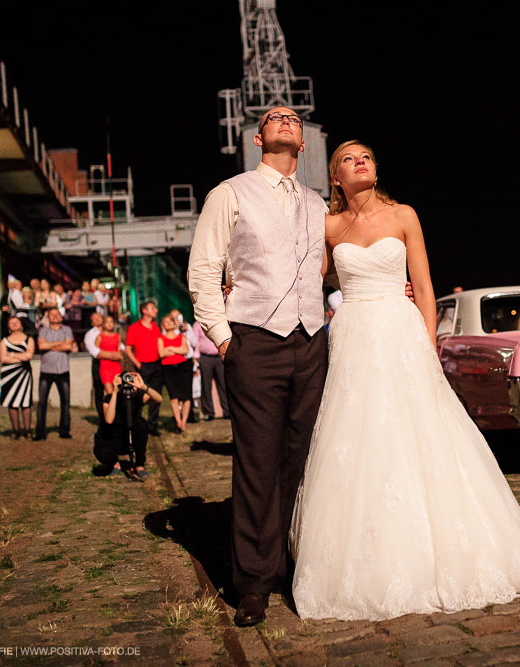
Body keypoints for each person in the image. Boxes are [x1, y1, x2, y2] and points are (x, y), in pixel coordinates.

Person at [287, 141, 520, 621]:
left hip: (400, 329)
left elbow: (426, 286)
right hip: (352, 334)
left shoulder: (404, 215)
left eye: (366, 156)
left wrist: (428, 345)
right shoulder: (327, 226)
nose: (360, 162)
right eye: (348, 159)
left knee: (422, 430)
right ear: (335, 178)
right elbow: (314, 276)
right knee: (358, 434)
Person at [188, 106, 331, 627]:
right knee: (256, 463)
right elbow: (204, 269)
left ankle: (293, 563)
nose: (287, 121)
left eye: (294, 117)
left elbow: (329, 267)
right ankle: (253, 582)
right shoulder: (230, 193)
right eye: (276, 117)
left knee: (300, 461)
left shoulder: (318, 202)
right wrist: (224, 339)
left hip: (311, 341)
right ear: (258, 137)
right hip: (253, 342)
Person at [94, 372, 161, 479]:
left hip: (131, 437)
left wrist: (143, 387)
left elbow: (158, 399)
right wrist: (115, 392)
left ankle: (139, 464)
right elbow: (109, 419)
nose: (129, 386)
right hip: (113, 438)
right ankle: (115, 463)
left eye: (132, 382)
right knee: (101, 450)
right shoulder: (110, 398)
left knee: (141, 424)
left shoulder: (138, 397)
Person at [34, 308, 75, 440]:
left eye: (57, 314)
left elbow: (69, 347)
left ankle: (64, 431)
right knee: (42, 402)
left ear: (61, 317)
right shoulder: (43, 330)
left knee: (65, 402)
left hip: (63, 370)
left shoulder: (67, 330)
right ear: (48, 317)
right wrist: (61, 344)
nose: (55, 317)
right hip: (46, 370)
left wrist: (50, 345)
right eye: (52, 315)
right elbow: (41, 346)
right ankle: (40, 432)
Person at [125, 301, 163, 435]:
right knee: (140, 396)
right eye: (153, 308)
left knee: (156, 395)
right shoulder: (134, 328)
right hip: (142, 366)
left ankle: (153, 426)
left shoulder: (155, 326)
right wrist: (138, 363)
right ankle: (137, 424)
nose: (156, 310)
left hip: (156, 365)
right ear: (144, 311)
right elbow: (128, 348)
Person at [0, 315, 35, 438]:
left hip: (24, 373)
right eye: (11, 323)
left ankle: (28, 429)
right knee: (12, 401)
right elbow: (3, 358)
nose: (14, 324)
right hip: (8, 374)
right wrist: (21, 356)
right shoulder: (4, 340)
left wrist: (12, 355)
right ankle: (16, 430)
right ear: (8, 326)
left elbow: (29, 356)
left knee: (25, 401)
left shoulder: (29, 339)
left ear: (21, 325)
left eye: (16, 322)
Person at [158, 314, 192, 433]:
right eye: (165, 322)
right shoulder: (161, 339)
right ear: (163, 325)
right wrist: (177, 350)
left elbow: (185, 350)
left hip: (183, 367)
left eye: (170, 321)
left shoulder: (181, 336)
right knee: (174, 396)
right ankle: (178, 420)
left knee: (186, 396)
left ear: (174, 323)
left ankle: (184, 422)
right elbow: (161, 354)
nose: (168, 323)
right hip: (168, 369)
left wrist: (170, 349)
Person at [193, 321, 229, 420]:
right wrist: (196, 357)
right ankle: (209, 412)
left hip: (219, 357)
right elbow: (196, 341)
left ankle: (227, 411)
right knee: (206, 386)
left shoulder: (219, 321)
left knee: (223, 384)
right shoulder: (197, 324)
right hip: (205, 358)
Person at [83, 312, 106, 417]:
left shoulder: (110, 330)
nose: (97, 319)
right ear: (92, 323)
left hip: (113, 363)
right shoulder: (90, 334)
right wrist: (110, 354)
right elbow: (94, 351)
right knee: (99, 390)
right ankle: (102, 416)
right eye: (94, 318)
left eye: (99, 317)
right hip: (99, 362)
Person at [97, 316, 123, 396]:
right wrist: (109, 355)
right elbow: (97, 353)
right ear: (104, 324)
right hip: (105, 367)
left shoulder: (118, 336)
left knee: (118, 392)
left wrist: (118, 355)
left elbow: (119, 352)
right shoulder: (99, 337)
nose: (109, 324)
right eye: (107, 322)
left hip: (116, 366)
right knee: (110, 394)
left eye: (111, 322)